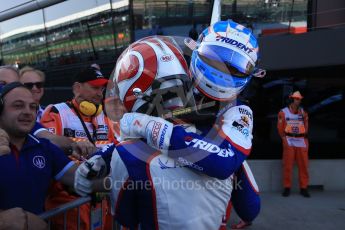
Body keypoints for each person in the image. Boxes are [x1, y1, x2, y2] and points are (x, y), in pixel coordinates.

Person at [78, 26, 261, 229]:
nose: (222, 70)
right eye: (213, 58)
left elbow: (224, 163)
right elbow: (249, 206)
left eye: (235, 67)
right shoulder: (199, 104)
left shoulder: (237, 109)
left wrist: (149, 127)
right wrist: (105, 154)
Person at [0, 82, 92, 214]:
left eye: (33, 107)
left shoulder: (44, 148)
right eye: (18, 106)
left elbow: (82, 178)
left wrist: (119, 169)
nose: (27, 112)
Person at [40, 66, 114, 230]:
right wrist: (73, 143)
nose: (99, 93)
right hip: (68, 203)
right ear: (77, 88)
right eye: (94, 87)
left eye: (102, 89)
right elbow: (47, 147)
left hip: (99, 200)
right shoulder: (56, 112)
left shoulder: (105, 116)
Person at [0, 65, 96, 157]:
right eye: (2, 84)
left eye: (39, 85)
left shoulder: (26, 119)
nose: (9, 90)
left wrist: (74, 145)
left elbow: (48, 137)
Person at [277, 91, 310, 198]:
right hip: (289, 140)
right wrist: (284, 139)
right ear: (291, 99)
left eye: (299, 99)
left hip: (301, 140)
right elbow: (280, 127)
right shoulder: (283, 112)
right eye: (296, 99)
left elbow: (306, 126)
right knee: (288, 165)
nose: (298, 101)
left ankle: (304, 188)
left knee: (304, 165)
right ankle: (287, 187)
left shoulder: (303, 112)